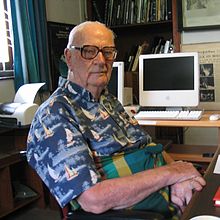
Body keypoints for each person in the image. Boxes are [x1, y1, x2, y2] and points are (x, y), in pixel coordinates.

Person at [26, 21, 206, 219]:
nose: (101, 60)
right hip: (145, 211)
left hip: (172, 192)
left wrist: (179, 178)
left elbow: (150, 146)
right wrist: (172, 174)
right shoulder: (54, 115)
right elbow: (93, 199)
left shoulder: (108, 100)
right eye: (89, 51)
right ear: (69, 57)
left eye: (108, 51)